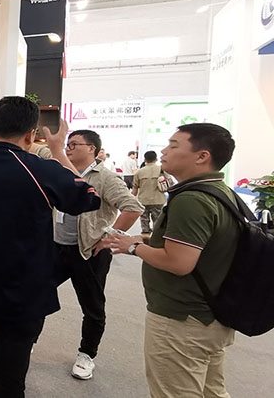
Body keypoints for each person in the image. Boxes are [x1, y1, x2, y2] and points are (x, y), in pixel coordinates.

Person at [0, 96, 102, 397]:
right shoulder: (44, 170)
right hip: (23, 294)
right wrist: (58, 151)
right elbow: (89, 197)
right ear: (30, 134)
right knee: (10, 379)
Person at [106, 123, 240, 398]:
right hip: (210, 315)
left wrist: (133, 247)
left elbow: (179, 262)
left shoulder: (192, 199)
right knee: (212, 391)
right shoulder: (220, 191)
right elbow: (201, 245)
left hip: (182, 321)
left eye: (174, 145)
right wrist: (147, 240)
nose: (164, 151)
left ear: (202, 156)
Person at [53, 129, 144, 380]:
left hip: (89, 251)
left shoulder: (105, 177)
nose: (69, 148)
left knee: (92, 305)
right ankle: (29, 339)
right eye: (67, 144)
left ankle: (87, 354)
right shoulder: (61, 171)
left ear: (92, 148)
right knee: (37, 292)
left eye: (74, 144)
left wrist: (109, 236)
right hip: (57, 246)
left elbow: (133, 207)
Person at [133, 151, 173, 234]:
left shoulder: (139, 172)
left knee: (144, 220)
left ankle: (145, 235)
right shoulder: (162, 170)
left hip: (143, 200)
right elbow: (171, 184)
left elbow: (135, 189)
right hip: (158, 200)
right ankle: (156, 236)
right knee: (158, 220)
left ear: (145, 160)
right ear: (156, 159)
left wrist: (132, 200)